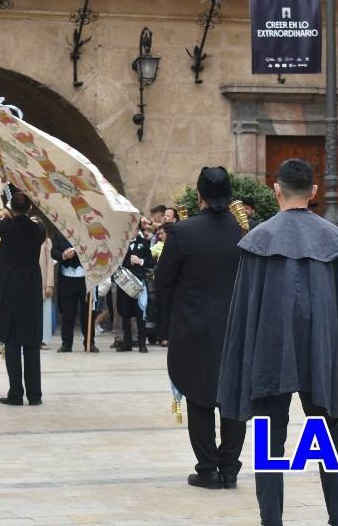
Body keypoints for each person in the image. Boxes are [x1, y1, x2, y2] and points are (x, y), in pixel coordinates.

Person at [219, 158, 338, 526]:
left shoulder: (258, 241)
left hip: (268, 352)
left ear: (276, 190)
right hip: (321, 354)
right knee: (329, 440)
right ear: (314, 192)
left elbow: (244, 311)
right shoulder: (336, 239)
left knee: (269, 443)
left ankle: (270, 521)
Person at [156, 166, 247, 490]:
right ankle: (230, 469)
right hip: (237, 329)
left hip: (193, 329)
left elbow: (163, 281)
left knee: (199, 397)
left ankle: (208, 470)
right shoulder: (244, 233)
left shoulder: (183, 232)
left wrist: (164, 325)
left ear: (199, 196)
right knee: (234, 400)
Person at [0, 180, 47, 405]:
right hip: (30, 292)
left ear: (11, 208)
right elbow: (31, 219)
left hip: (10, 291)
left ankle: (16, 394)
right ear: (30, 208)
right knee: (31, 343)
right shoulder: (38, 229)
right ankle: (35, 395)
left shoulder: (7, 226)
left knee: (12, 343)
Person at [116, 216, 153, 352]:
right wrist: (127, 262)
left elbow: (151, 263)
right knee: (125, 314)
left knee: (140, 314)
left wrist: (140, 261)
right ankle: (127, 343)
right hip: (124, 283)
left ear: (137, 229)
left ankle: (142, 343)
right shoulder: (121, 243)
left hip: (139, 283)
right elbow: (116, 263)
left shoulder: (144, 243)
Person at [54, 231, 90, 352]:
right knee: (67, 313)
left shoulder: (86, 231)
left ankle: (90, 342)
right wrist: (63, 255)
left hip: (85, 278)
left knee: (87, 312)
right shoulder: (60, 233)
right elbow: (54, 252)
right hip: (66, 277)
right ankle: (66, 344)